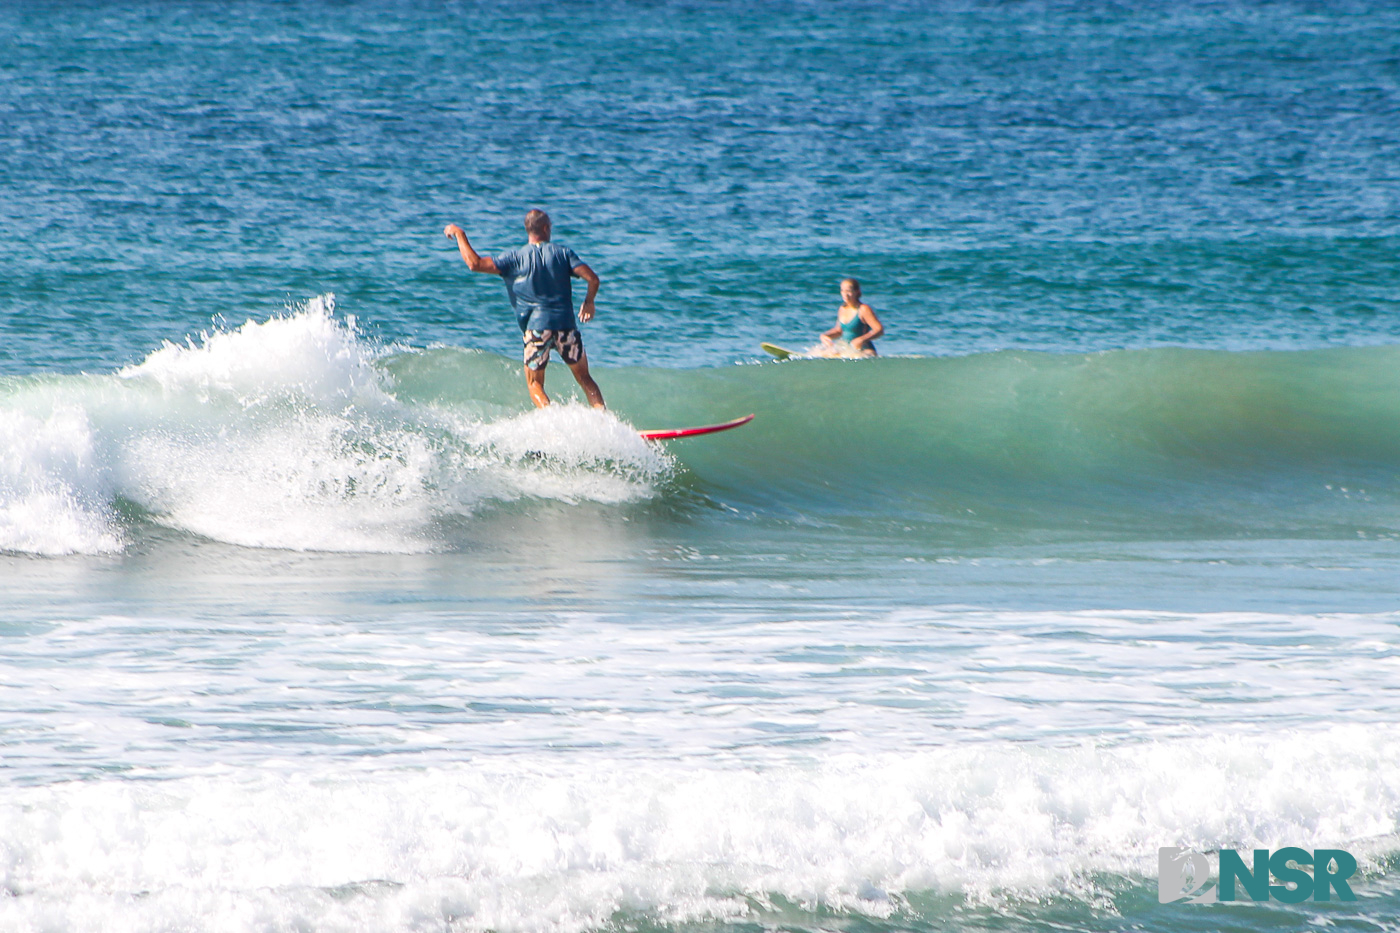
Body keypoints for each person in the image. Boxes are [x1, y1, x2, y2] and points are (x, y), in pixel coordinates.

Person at [443, 209, 606, 409]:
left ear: (528, 229)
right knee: (584, 378)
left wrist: (460, 234)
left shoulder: (513, 258)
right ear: (546, 228)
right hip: (566, 327)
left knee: (535, 383)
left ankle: (553, 422)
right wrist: (589, 302)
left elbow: (474, 264)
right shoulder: (563, 253)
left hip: (536, 330)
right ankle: (603, 420)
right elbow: (593, 278)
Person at [819, 278, 884, 357]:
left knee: (859, 356)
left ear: (857, 292)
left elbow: (879, 330)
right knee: (821, 354)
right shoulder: (842, 309)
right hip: (847, 349)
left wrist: (861, 340)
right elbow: (839, 330)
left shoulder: (863, 309)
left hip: (864, 350)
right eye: (843, 291)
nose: (845, 294)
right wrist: (826, 336)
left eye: (848, 291)